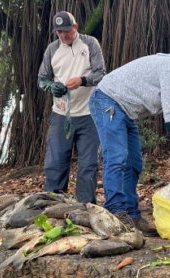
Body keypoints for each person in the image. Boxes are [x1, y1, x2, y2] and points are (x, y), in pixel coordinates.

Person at [89, 50, 170, 237]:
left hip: (126, 112)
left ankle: (132, 215)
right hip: (108, 99)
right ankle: (115, 211)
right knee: (117, 157)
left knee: (134, 163)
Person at [37, 11, 106, 203]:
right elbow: (41, 79)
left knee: (89, 164)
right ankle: (53, 205)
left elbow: (101, 73)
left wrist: (83, 80)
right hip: (61, 115)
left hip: (89, 114)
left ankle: (85, 207)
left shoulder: (90, 43)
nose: (63, 36)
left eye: (66, 31)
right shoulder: (52, 49)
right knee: (55, 163)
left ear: (75, 27)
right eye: (59, 32)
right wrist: (51, 86)